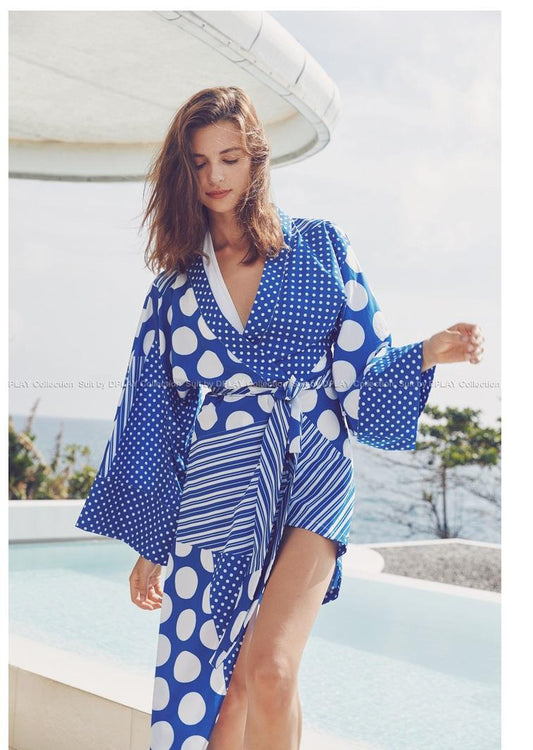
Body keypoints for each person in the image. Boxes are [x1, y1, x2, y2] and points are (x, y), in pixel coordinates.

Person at [75, 86, 484, 750]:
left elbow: (361, 368)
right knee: (220, 692)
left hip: (313, 465)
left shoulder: (319, 246)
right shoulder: (174, 289)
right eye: (199, 163)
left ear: (256, 161)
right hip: (217, 483)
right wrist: (151, 538)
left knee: (269, 670)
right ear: (182, 171)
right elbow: (152, 416)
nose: (214, 176)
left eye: (229, 159)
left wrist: (427, 354)